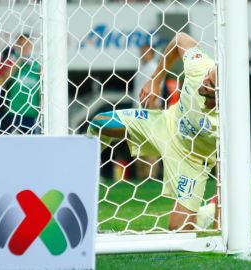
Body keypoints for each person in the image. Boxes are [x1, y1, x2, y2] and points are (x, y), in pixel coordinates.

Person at [88, 32, 217, 230]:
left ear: (220, 95)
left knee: (178, 230)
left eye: (209, 83)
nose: (204, 80)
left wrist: (221, 221)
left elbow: (228, 174)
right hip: (165, 123)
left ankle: (206, 214)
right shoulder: (199, 67)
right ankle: (79, 175)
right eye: (208, 75)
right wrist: (155, 81)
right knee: (101, 123)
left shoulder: (224, 122)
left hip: (192, 160)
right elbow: (179, 38)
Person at [132, 43, 162, 180]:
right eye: (141, 52)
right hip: (138, 111)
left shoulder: (154, 67)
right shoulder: (141, 68)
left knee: (150, 144)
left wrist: (150, 108)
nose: (142, 55)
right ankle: (141, 176)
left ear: (152, 53)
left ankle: (151, 176)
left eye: (145, 52)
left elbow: (157, 89)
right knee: (139, 144)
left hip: (149, 109)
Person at [4, 34, 41, 134]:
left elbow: (41, 88)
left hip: (31, 112)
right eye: (21, 44)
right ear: (17, 45)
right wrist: (20, 59)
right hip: (13, 111)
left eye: (27, 44)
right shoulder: (12, 60)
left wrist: (40, 106)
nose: (24, 47)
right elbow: (5, 78)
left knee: (31, 144)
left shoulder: (37, 64)